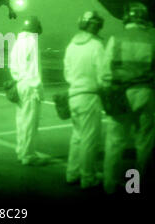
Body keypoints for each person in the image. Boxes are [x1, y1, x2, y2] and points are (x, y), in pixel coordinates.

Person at [100, 2, 155, 194]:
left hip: (121, 93)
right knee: (143, 144)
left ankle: (109, 186)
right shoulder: (153, 40)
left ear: (127, 19)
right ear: (144, 19)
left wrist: (109, 94)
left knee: (115, 141)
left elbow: (105, 73)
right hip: (146, 93)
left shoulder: (116, 39)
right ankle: (136, 187)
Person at [64, 11, 105, 189]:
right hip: (89, 96)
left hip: (73, 95)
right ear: (94, 25)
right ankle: (88, 177)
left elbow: (67, 73)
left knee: (77, 136)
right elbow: (103, 75)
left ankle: (72, 173)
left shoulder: (71, 46)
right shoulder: (96, 46)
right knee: (89, 138)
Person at [9, 16, 48, 166]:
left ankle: (21, 151)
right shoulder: (32, 41)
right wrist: (38, 89)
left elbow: (13, 66)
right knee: (30, 123)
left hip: (19, 85)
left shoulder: (18, 42)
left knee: (21, 121)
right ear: (36, 28)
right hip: (30, 86)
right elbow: (34, 69)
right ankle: (28, 155)